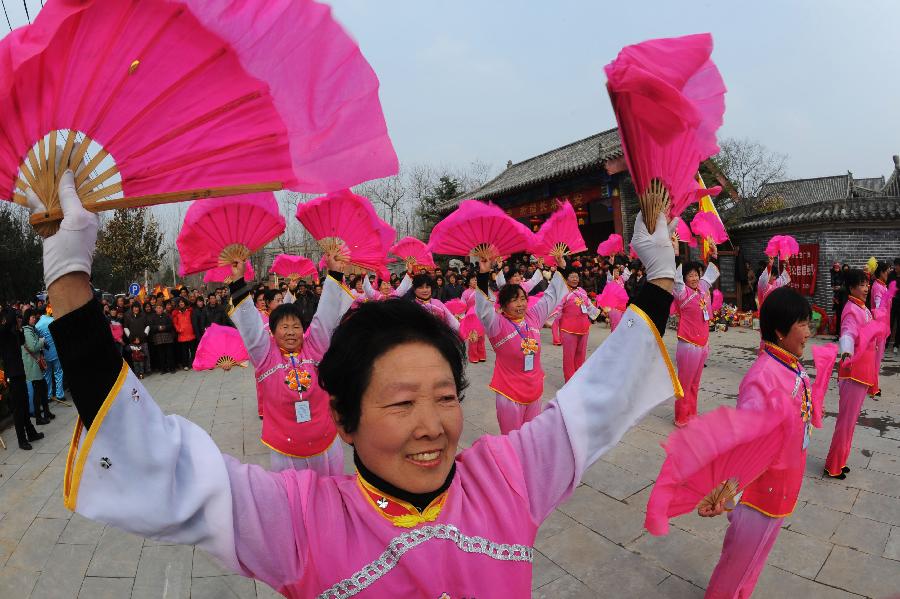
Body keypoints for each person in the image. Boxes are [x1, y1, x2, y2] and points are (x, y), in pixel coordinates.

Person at [39, 180, 680, 595]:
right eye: (401, 403)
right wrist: (69, 275)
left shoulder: (506, 476)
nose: (432, 424)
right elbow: (163, 464)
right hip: (288, 447)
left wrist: (661, 278)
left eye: (447, 396)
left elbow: (597, 399)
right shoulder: (300, 522)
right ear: (344, 418)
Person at [700, 286, 813, 598]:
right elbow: (745, 442)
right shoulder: (761, 377)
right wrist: (727, 492)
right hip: (758, 493)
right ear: (779, 331)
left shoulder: (790, 362)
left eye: (807, 323)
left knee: (755, 562)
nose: (808, 332)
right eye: (802, 324)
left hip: (782, 484)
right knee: (737, 564)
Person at [230, 256, 352, 473]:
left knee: (329, 493)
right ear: (273, 331)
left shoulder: (314, 346)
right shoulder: (265, 354)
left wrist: (334, 274)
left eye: (295, 326)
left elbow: (326, 316)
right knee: (292, 497)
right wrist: (238, 283)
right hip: (284, 447)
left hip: (325, 441)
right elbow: (250, 327)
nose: (290, 331)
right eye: (284, 327)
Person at [474, 250, 567, 433]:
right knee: (512, 440)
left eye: (523, 299)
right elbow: (484, 309)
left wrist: (562, 268)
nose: (521, 304)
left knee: (530, 437)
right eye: (515, 301)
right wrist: (483, 273)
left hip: (534, 389)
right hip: (509, 393)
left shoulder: (533, 317)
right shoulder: (497, 324)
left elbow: (551, 296)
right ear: (503, 305)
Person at [825, 269, 879, 479]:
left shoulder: (862, 307)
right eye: (862, 285)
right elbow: (847, 332)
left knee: (851, 421)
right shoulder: (851, 309)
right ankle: (833, 465)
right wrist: (846, 351)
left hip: (862, 371)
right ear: (851, 287)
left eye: (867, 284)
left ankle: (841, 460)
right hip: (853, 372)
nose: (866, 288)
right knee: (846, 422)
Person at [673, 251, 720, 427]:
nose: (694, 278)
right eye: (690, 275)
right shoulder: (681, 292)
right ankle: (681, 416)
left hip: (703, 343)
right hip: (688, 343)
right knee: (685, 382)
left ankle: (692, 412)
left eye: (696, 274)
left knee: (695, 382)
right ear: (685, 278)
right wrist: (675, 253)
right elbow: (675, 276)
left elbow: (711, 272)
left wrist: (714, 255)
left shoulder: (702, 288)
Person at [0, 305, 43, 449]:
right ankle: (21, 439)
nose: (18, 319)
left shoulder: (14, 333)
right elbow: (7, 325)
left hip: (20, 372)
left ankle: (31, 433)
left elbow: (22, 339)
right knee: (18, 408)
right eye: (16, 317)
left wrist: (18, 327)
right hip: (12, 375)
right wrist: (11, 317)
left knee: (24, 404)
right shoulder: (3, 332)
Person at [557, 268, 601, 382]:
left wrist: (600, 312)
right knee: (569, 357)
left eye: (576, 277)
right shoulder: (563, 291)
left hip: (584, 327)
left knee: (581, 355)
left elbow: (589, 306)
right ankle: (569, 382)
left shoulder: (581, 290)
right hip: (568, 329)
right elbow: (557, 309)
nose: (575, 279)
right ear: (567, 279)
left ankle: (578, 381)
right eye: (572, 276)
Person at [21, 308, 54, 424]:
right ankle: (39, 418)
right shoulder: (27, 331)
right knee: (38, 392)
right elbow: (33, 347)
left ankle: (46, 412)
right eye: (32, 317)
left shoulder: (31, 329)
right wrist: (41, 341)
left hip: (35, 364)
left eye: (35, 317)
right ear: (27, 318)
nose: (34, 319)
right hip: (32, 365)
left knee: (43, 389)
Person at [35, 309, 65, 403]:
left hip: (45, 353)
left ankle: (48, 395)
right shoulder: (52, 320)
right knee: (58, 372)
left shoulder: (37, 326)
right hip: (56, 351)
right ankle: (60, 395)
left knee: (47, 375)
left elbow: (38, 341)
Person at [148, 304, 176, 374]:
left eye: (160, 308)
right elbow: (151, 327)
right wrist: (158, 328)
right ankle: (163, 369)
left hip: (167, 337)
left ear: (162, 309)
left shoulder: (166, 316)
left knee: (170, 353)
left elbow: (171, 325)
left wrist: (164, 327)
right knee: (161, 354)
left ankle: (171, 368)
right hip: (158, 338)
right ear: (155, 309)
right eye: (157, 308)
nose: (159, 309)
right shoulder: (153, 317)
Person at [123, 302, 150, 374]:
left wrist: (145, 334)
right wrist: (129, 336)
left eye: (137, 307)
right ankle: (137, 372)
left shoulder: (143, 316)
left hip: (143, 339)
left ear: (139, 308)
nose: (136, 309)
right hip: (133, 340)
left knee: (145, 355)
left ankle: (147, 370)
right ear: (132, 308)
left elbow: (147, 326)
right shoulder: (128, 316)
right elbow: (125, 327)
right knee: (135, 357)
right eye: (134, 307)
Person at [172, 298, 196, 371]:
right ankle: (185, 365)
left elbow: (193, 321)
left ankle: (194, 363)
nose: (181, 303)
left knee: (192, 350)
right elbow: (175, 323)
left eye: (182, 302)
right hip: (182, 334)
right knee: (184, 351)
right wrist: (178, 329)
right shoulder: (176, 313)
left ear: (185, 303)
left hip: (191, 333)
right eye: (180, 302)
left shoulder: (190, 311)